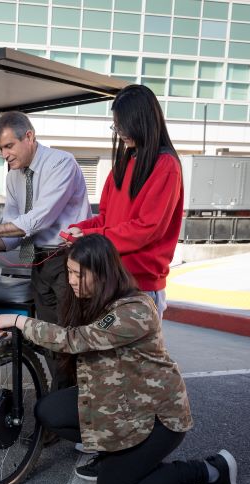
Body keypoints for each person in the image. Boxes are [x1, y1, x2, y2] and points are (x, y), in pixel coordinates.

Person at [0, 234, 237, 484]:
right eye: (69, 271)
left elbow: (75, 340)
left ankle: (212, 471)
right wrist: (22, 337)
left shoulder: (134, 310)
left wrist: (21, 321)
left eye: (78, 274)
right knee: (49, 411)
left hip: (156, 418)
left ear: (103, 273)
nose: (71, 280)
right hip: (119, 403)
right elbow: (65, 342)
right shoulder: (91, 301)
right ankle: (114, 453)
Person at [0, 111, 90, 390]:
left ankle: (74, 409)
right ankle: (58, 405)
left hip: (68, 261)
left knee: (68, 338)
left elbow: (38, 219)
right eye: (0, 148)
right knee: (49, 341)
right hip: (39, 260)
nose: (4, 155)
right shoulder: (14, 177)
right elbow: (12, 231)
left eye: (9, 146)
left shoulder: (61, 163)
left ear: (29, 137)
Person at [66, 84, 184, 319]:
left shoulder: (166, 166)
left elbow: (146, 229)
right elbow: (106, 218)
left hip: (141, 284)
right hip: (111, 279)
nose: (120, 131)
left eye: (124, 124)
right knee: (108, 354)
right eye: (116, 125)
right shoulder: (122, 165)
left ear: (143, 121)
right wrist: (81, 228)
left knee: (135, 356)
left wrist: (91, 236)